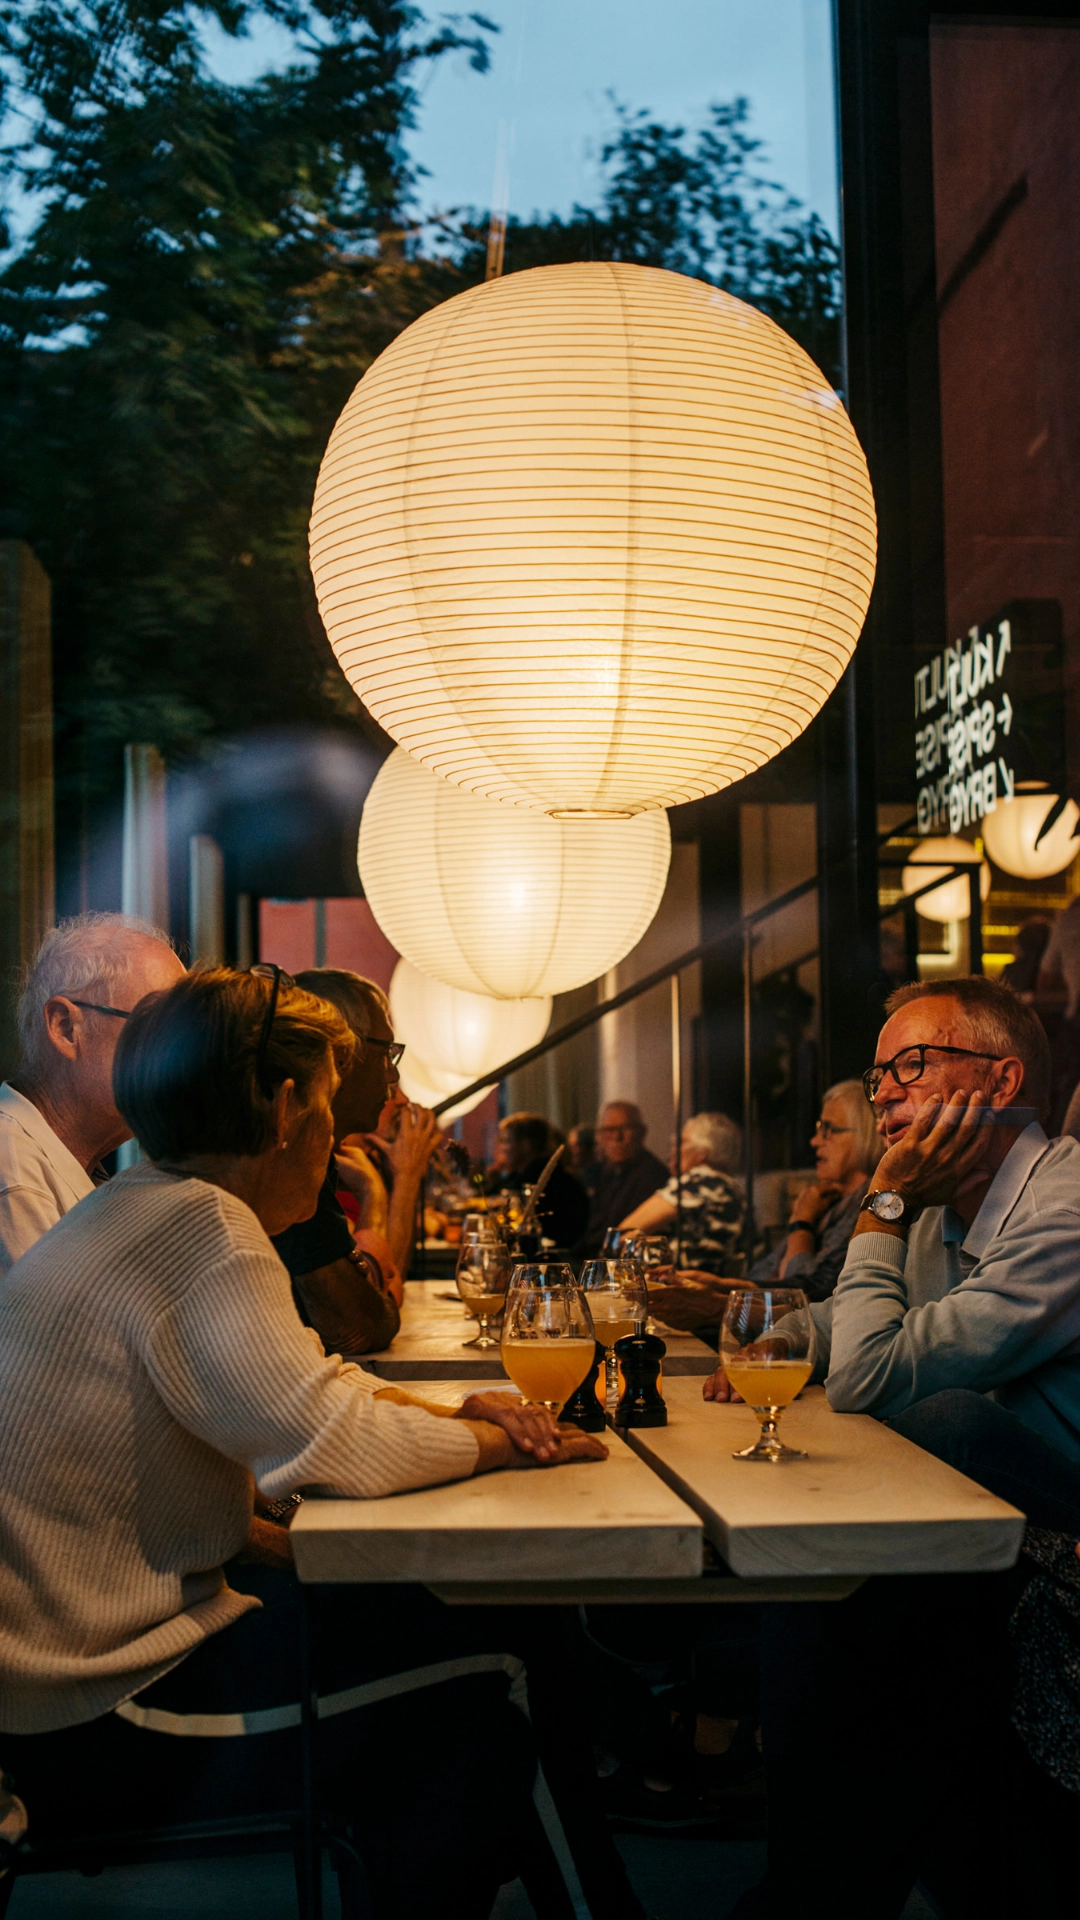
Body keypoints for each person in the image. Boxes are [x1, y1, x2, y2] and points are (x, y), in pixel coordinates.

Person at [0, 967, 626, 1919]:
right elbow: (339, 1444)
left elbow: (312, 1392)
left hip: (59, 1692)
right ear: (288, 1106)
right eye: (333, 1104)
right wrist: (510, 1443)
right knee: (497, 1671)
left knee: (490, 1632)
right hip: (106, 1713)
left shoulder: (146, 1205)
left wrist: (463, 1421)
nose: (340, 1134)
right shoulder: (202, 1225)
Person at [706, 975, 1080, 1451]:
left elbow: (862, 1377)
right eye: (879, 1075)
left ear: (1002, 1082)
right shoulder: (941, 1197)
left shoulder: (1065, 1217)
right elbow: (849, 1315)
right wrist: (786, 1341)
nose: (882, 1095)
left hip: (1065, 1497)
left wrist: (887, 1197)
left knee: (952, 1416)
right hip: (977, 1484)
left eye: (912, 1064)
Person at [0, 912, 185, 1271]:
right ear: (65, 1027)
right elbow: (63, 1329)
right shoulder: (16, 1178)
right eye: (159, 1026)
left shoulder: (59, 1161)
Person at [271, 967, 425, 1354]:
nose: (392, 1075)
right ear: (339, 1054)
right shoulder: (284, 1158)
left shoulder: (317, 1161)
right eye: (384, 1053)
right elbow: (358, 1329)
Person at [619, 1110, 746, 1275]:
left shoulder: (698, 1183)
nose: (675, 1150)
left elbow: (624, 1232)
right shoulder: (733, 1188)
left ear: (702, 1153)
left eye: (683, 1142)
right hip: (717, 1284)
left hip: (678, 1283)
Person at [575, 1101, 668, 1256]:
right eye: (609, 1130)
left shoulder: (652, 1175)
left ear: (641, 1133)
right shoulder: (604, 1172)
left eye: (625, 1129)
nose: (617, 1137)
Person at [493, 1111, 589, 1248]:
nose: (502, 1148)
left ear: (526, 1144)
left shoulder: (542, 1180)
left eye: (507, 1141)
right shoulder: (521, 1175)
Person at [567, 1122, 601, 1193]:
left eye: (576, 1145)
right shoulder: (578, 1176)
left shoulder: (601, 1175)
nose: (572, 1151)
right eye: (570, 1146)